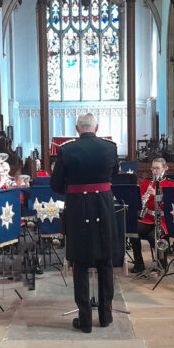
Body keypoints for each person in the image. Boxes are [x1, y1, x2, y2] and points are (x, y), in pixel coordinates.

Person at [50, 113, 119, 333]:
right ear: (96, 128)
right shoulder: (110, 148)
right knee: (104, 261)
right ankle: (106, 316)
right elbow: (113, 175)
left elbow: (56, 184)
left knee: (79, 263)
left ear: (77, 129)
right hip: (104, 207)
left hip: (78, 207)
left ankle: (85, 319)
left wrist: (73, 191)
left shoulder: (67, 150)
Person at [129, 158, 174, 274]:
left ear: (165, 168)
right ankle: (139, 264)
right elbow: (139, 196)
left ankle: (162, 262)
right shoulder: (147, 181)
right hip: (148, 218)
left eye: (157, 168)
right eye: (153, 168)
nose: (154, 171)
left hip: (164, 220)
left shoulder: (172, 183)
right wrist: (140, 200)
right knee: (132, 231)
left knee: (153, 237)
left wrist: (158, 196)